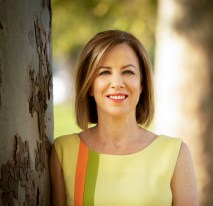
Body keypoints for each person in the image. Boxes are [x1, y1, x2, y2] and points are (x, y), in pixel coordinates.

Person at [50, 30, 198, 206]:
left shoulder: (175, 154)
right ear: (89, 85)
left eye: (128, 72)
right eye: (104, 72)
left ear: (142, 84)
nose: (117, 83)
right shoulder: (64, 152)